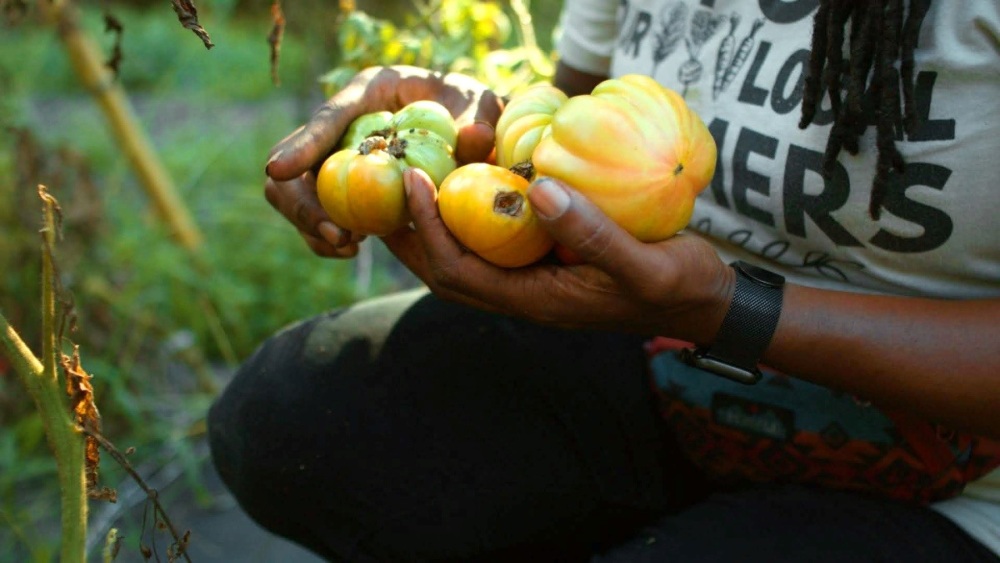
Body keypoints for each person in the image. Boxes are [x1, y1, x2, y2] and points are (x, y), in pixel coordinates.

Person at [208, 1, 1000, 561]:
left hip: (948, 481)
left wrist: (728, 305)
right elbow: (564, 130)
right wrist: (465, 133)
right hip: (657, 351)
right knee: (285, 419)